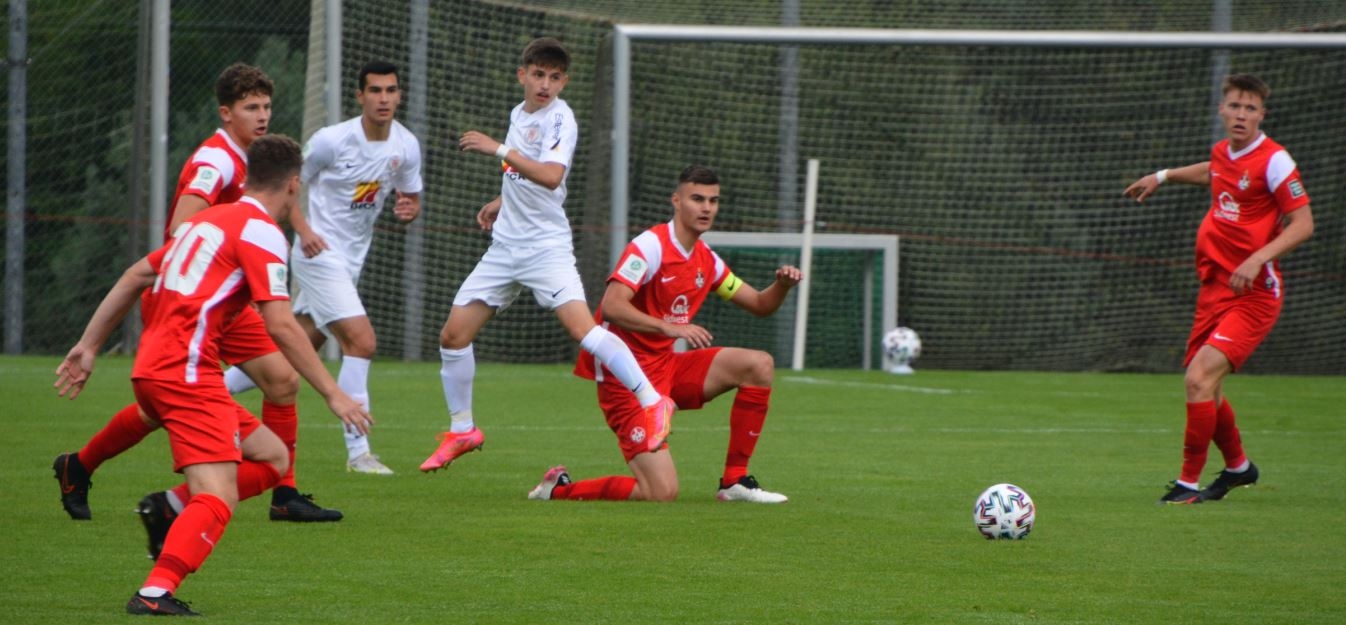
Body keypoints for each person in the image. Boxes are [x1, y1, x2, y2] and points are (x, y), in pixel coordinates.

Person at [54, 135, 373, 616]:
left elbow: (137, 275)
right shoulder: (262, 231)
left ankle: (170, 507)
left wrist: (89, 344)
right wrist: (334, 394)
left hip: (156, 369)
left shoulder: (207, 221)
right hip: (185, 373)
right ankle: (155, 593)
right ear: (293, 185)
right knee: (218, 494)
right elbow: (281, 324)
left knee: (271, 458)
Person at [51, 63, 343, 522]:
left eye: (266, 106)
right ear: (226, 113)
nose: (262, 116)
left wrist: (297, 231)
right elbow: (182, 227)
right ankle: (84, 466)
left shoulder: (252, 158)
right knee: (164, 405)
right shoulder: (216, 161)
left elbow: (272, 202)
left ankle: (283, 494)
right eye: (251, 108)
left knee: (281, 381)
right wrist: (230, 260)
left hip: (221, 298)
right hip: (191, 297)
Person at [421, 37, 673, 472]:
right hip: (505, 247)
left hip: (544, 248)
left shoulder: (561, 118)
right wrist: (502, 200)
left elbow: (553, 176)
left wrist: (498, 148)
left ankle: (653, 402)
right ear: (522, 75)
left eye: (554, 78)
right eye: (538, 75)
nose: (545, 84)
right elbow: (525, 174)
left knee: (583, 330)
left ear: (564, 82)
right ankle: (462, 430)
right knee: (453, 336)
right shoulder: (518, 114)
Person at [528, 165, 798, 504]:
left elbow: (759, 304)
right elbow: (611, 306)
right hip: (625, 379)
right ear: (676, 201)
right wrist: (669, 327)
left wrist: (781, 286)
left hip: (666, 368)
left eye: (713, 201)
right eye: (697, 199)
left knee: (758, 365)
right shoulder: (649, 247)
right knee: (661, 492)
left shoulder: (707, 261)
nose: (706, 208)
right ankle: (558, 489)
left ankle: (734, 481)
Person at [1123, 73, 1314, 505]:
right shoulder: (1223, 154)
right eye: (1235, 106)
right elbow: (1213, 172)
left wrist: (1258, 257)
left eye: (1250, 108)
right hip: (1214, 289)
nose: (1241, 114)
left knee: (1198, 379)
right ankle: (1239, 468)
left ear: (1262, 115)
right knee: (1209, 387)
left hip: (1255, 295)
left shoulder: (1275, 161)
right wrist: (1162, 175)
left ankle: (1187, 485)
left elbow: (1304, 223)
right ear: (1221, 109)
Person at [225, 60, 422, 475]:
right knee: (362, 341)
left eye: (390, 90)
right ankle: (359, 453)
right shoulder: (333, 141)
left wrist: (409, 209)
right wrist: (304, 230)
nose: (383, 98)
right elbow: (287, 184)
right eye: (375, 90)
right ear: (360, 96)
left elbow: (411, 196)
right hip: (318, 255)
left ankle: (210, 392)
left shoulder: (406, 145)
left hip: (352, 260)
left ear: (399, 96)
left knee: (288, 354)